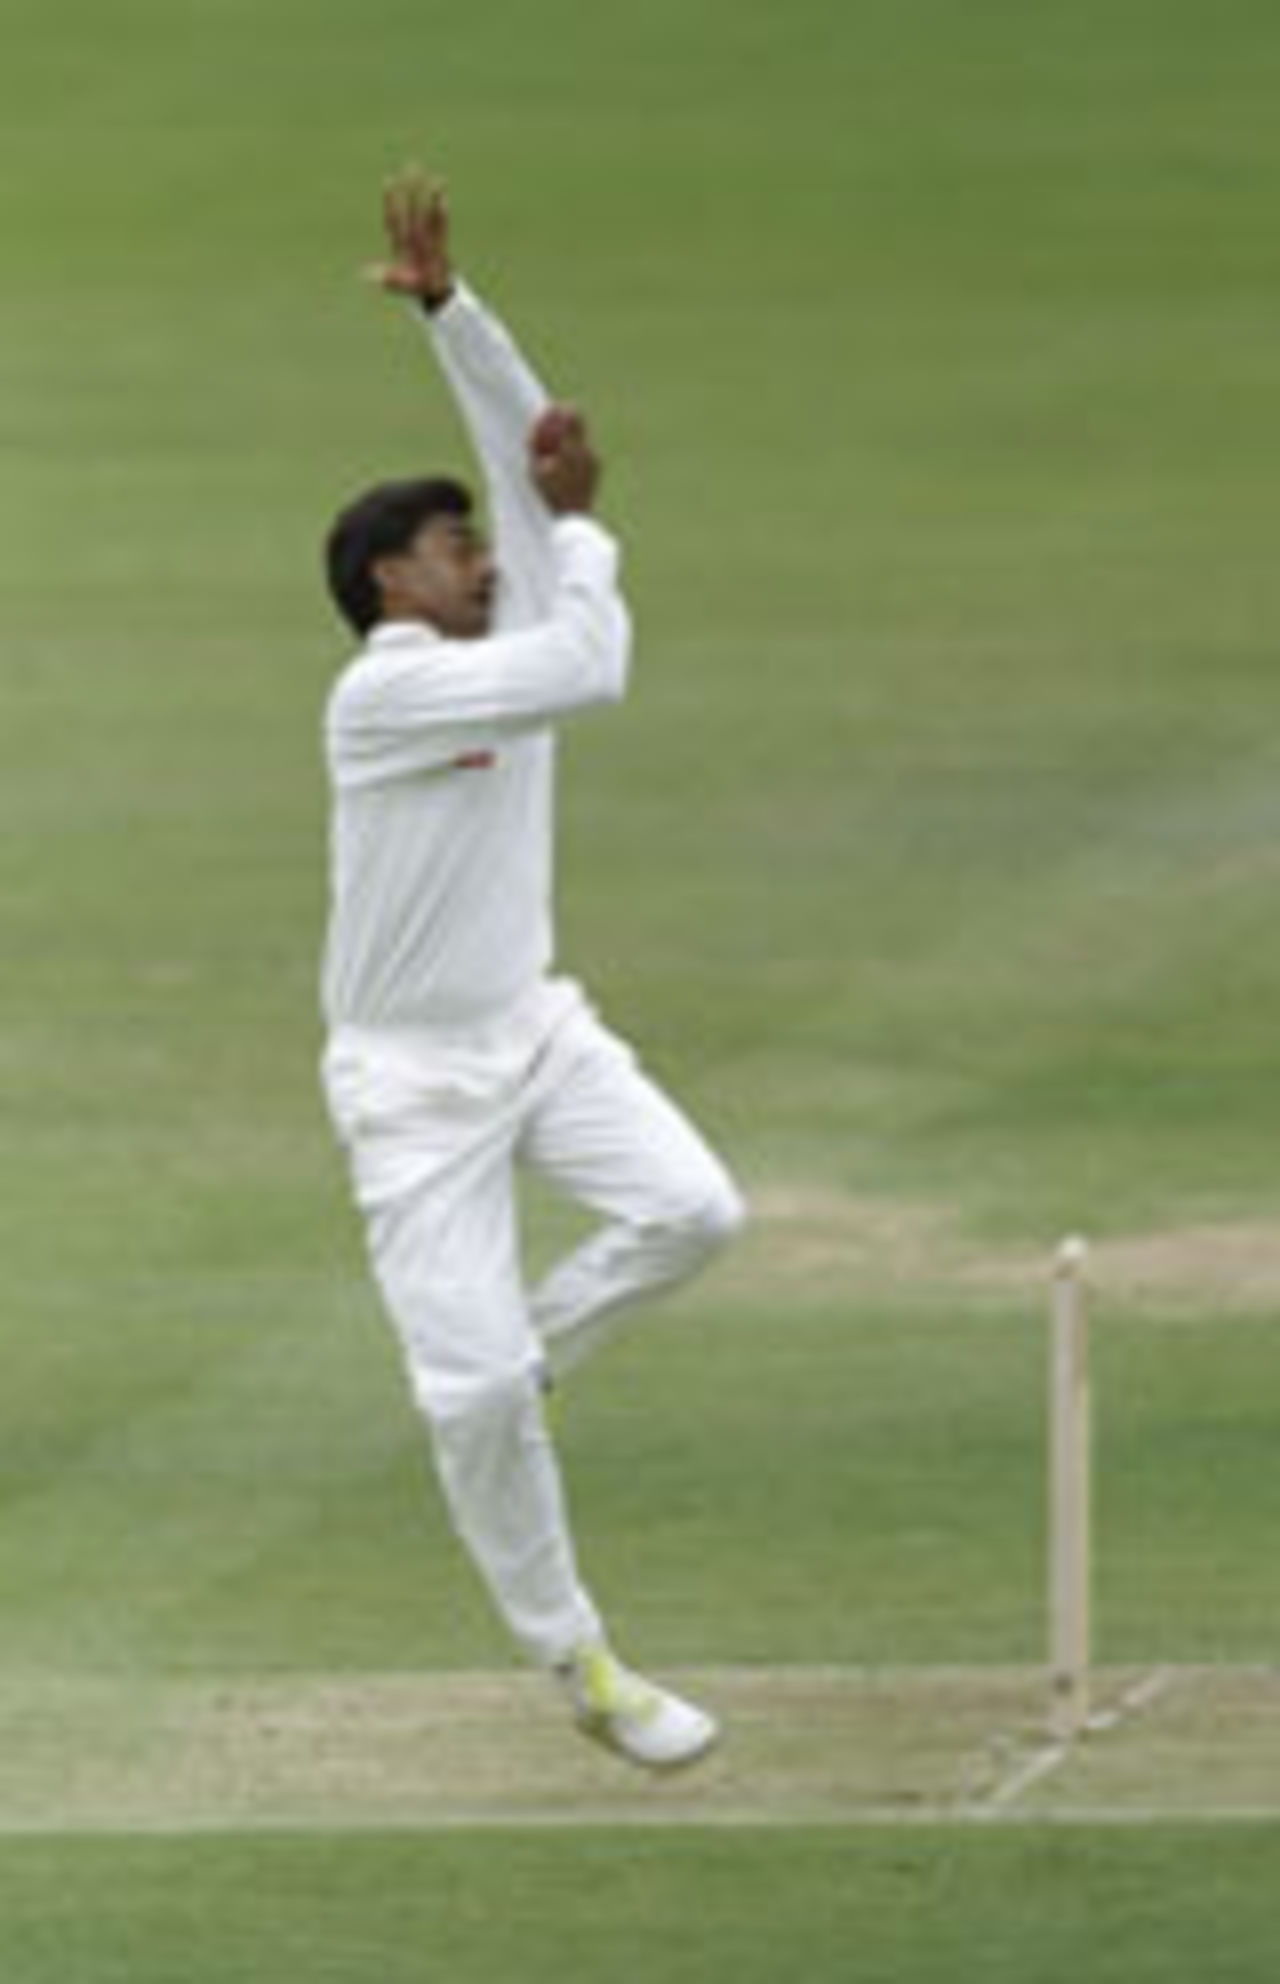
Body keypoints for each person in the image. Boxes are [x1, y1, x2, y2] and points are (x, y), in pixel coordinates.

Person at [319, 172, 746, 1771]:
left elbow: (529, 461)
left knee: (697, 1212)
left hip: (535, 1032)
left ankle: (536, 1354)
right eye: (456, 547)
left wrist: (455, 315)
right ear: (390, 587)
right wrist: (587, 537)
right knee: (469, 1401)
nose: (486, 557)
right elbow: (593, 655)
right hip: (411, 1085)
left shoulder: (495, 630)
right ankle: (582, 1664)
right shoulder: (386, 695)